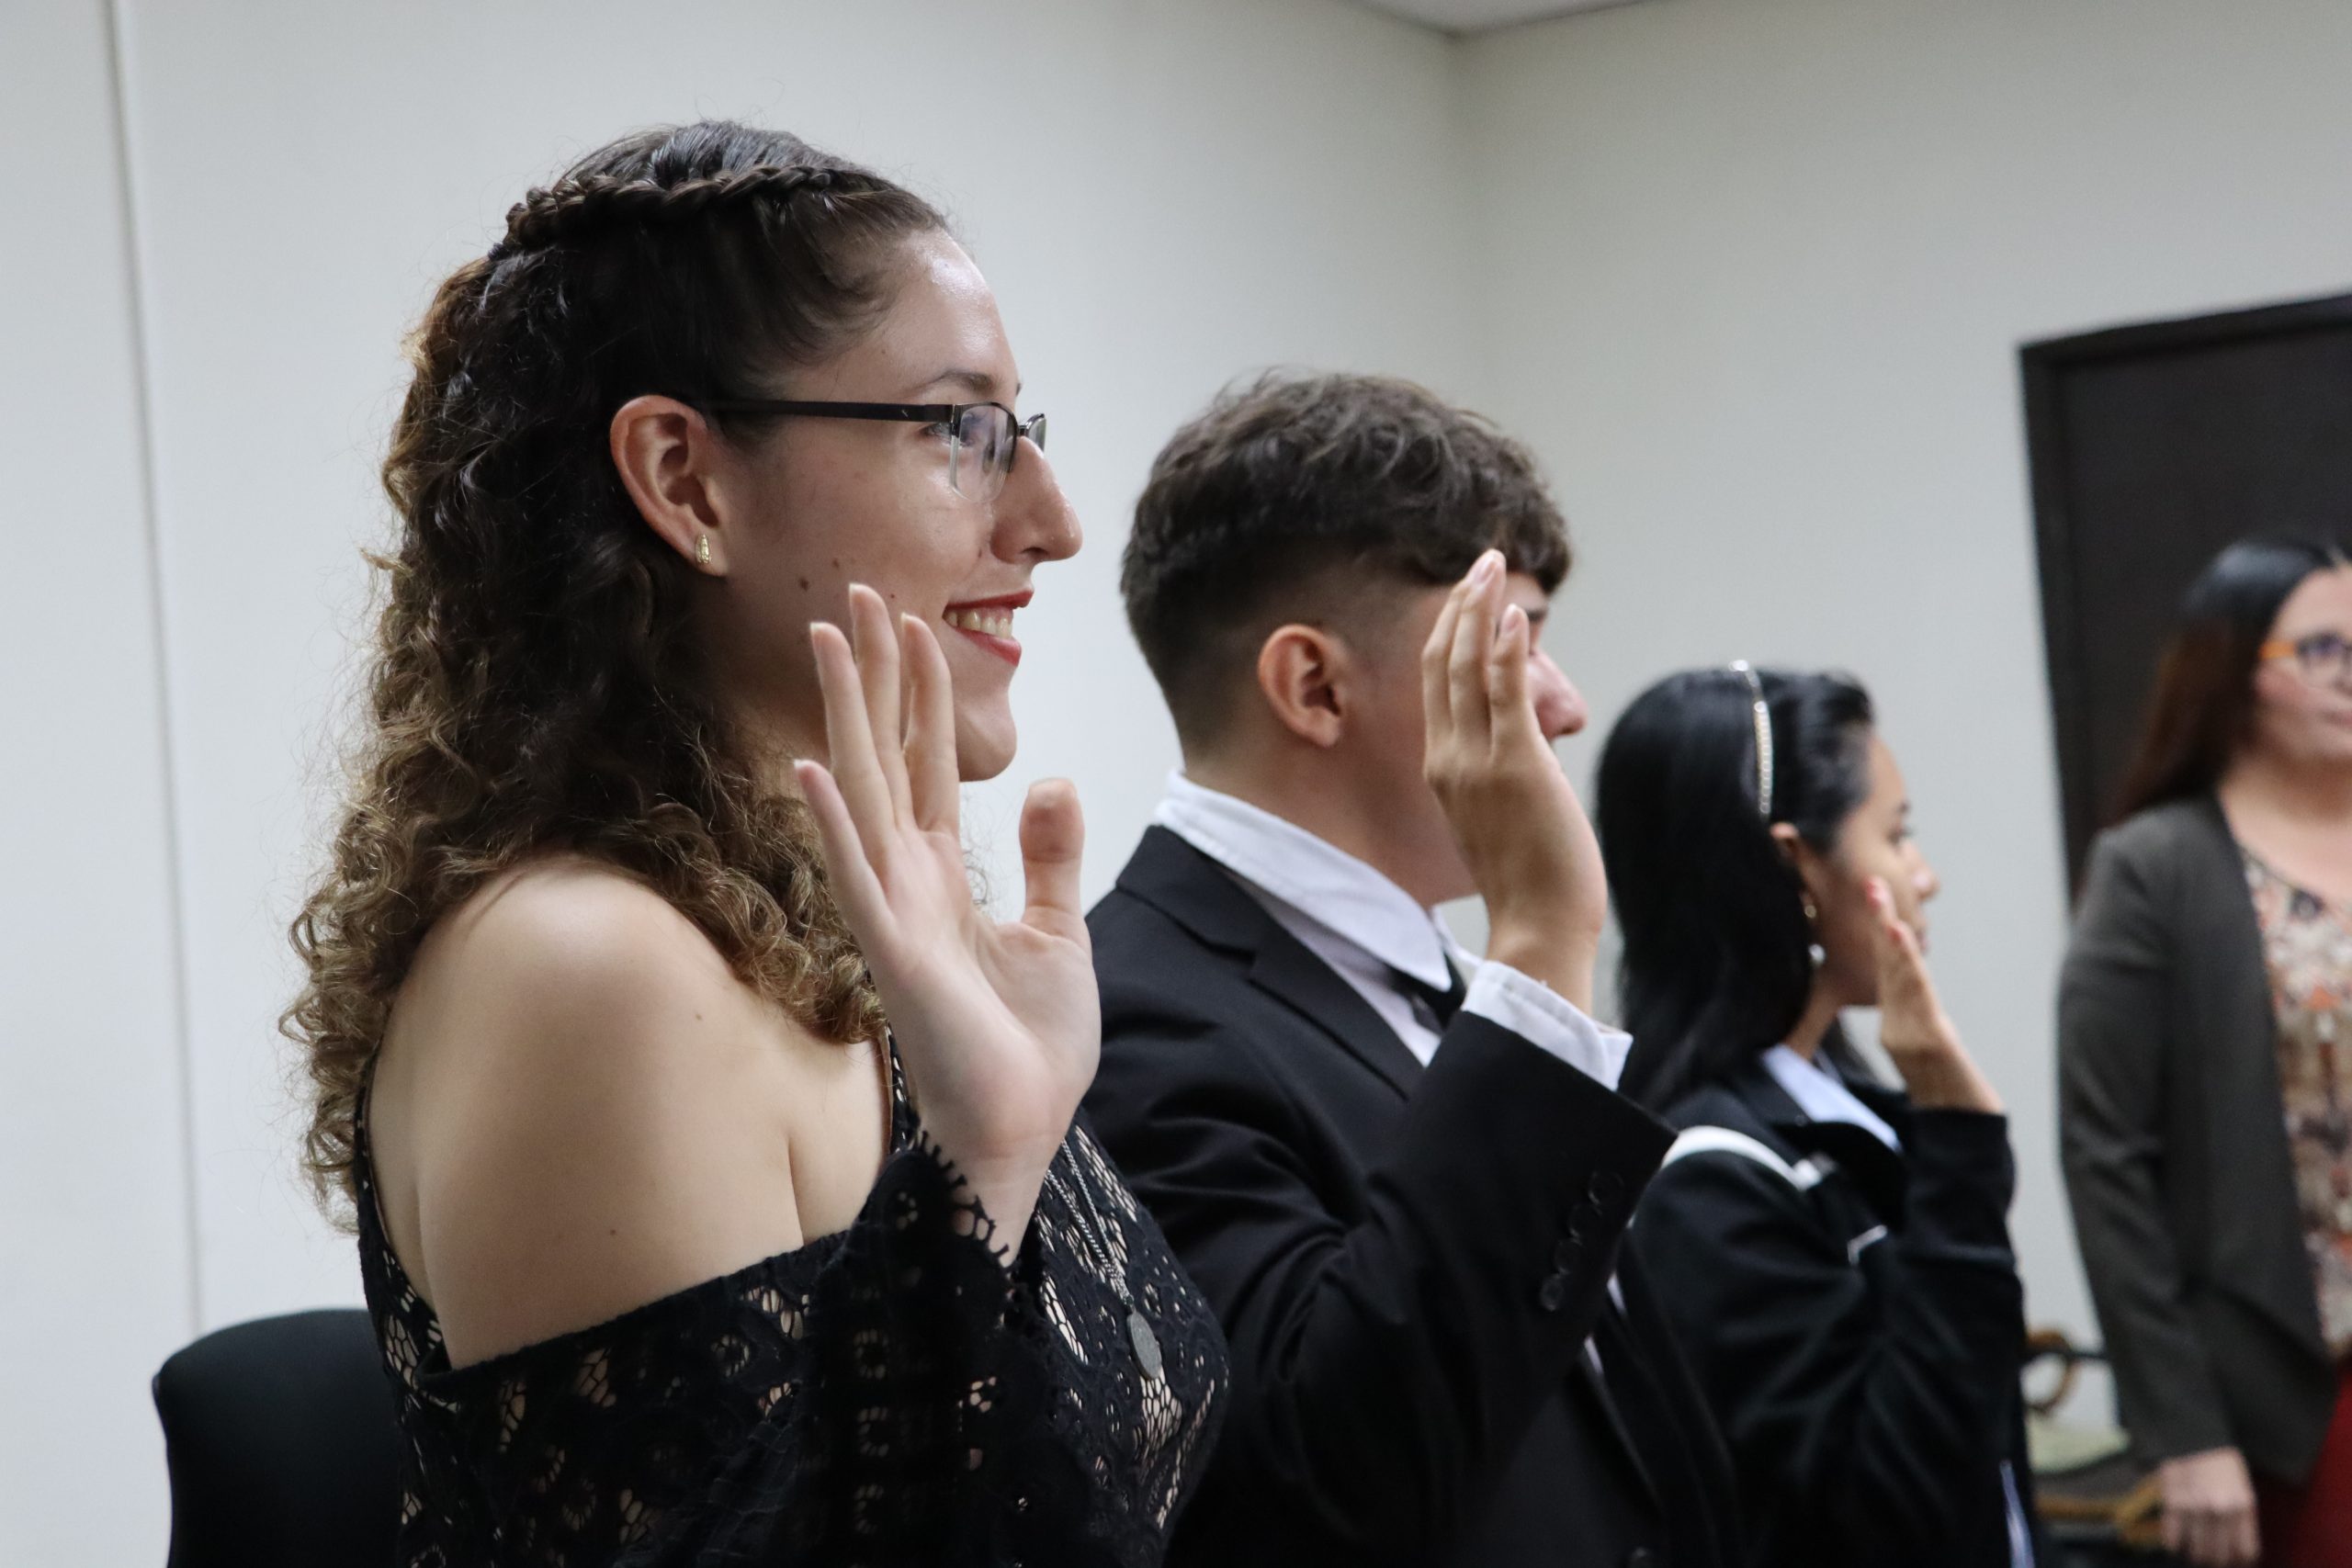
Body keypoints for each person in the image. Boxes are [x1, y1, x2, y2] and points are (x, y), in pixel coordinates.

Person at [283, 120, 1226, 1568]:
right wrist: (981, 1162)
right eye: (961, 428)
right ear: (687, 479)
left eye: (1023, 429)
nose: (1052, 520)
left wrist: (1000, 1136)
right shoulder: (595, 967)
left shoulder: (821, 939)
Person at [1084, 372, 1740, 1568]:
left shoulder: (1436, 972)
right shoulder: (1128, 1016)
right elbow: (1333, 1481)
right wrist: (1542, 935)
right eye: (1515, 637)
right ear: (1316, 686)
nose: (1566, 705)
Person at [1599, 664, 2043, 1568]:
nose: (1925, 877)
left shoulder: (1837, 1106)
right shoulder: (1707, 1178)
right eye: (1897, 835)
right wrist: (1956, 1133)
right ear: (1797, 865)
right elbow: (1895, 1505)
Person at [2061, 536, 2352, 1568]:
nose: (2349, 673)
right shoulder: (2156, 868)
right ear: (2232, 667)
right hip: (2292, 1391)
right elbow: (2105, 1157)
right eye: (2321, 648)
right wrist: (2183, 1428)